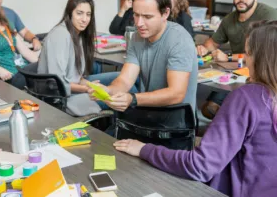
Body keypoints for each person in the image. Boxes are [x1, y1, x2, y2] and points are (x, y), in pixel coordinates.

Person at [114, 20, 277, 197]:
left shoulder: (246, 99)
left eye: (247, 52)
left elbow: (200, 165)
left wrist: (144, 149)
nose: (244, 59)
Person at [90, 0, 198, 112]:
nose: (139, 23)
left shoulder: (179, 40)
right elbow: (125, 80)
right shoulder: (136, 37)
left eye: (147, 17)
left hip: (175, 123)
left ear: (165, 13)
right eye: (136, 15)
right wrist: (109, 90)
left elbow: (176, 94)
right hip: (147, 113)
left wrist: (133, 99)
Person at [196, 0, 277, 119]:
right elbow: (212, 43)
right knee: (208, 109)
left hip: (262, 76)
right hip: (234, 75)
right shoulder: (229, 20)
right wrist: (203, 48)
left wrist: (226, 56)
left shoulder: (270, 16)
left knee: (245, 110)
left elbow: (265, 55)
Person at [37, 0, 120, 116]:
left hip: (74, 87)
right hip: (62, 97)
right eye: (79, 13)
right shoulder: (60, 35)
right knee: (122, 95)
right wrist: (88, 89)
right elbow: (56, 83)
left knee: (121, 77)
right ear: (70, 13)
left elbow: (75, 76)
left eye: (88, 14)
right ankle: (115, 132)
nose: (85, 19)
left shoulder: (77, 34)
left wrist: (90, 85)